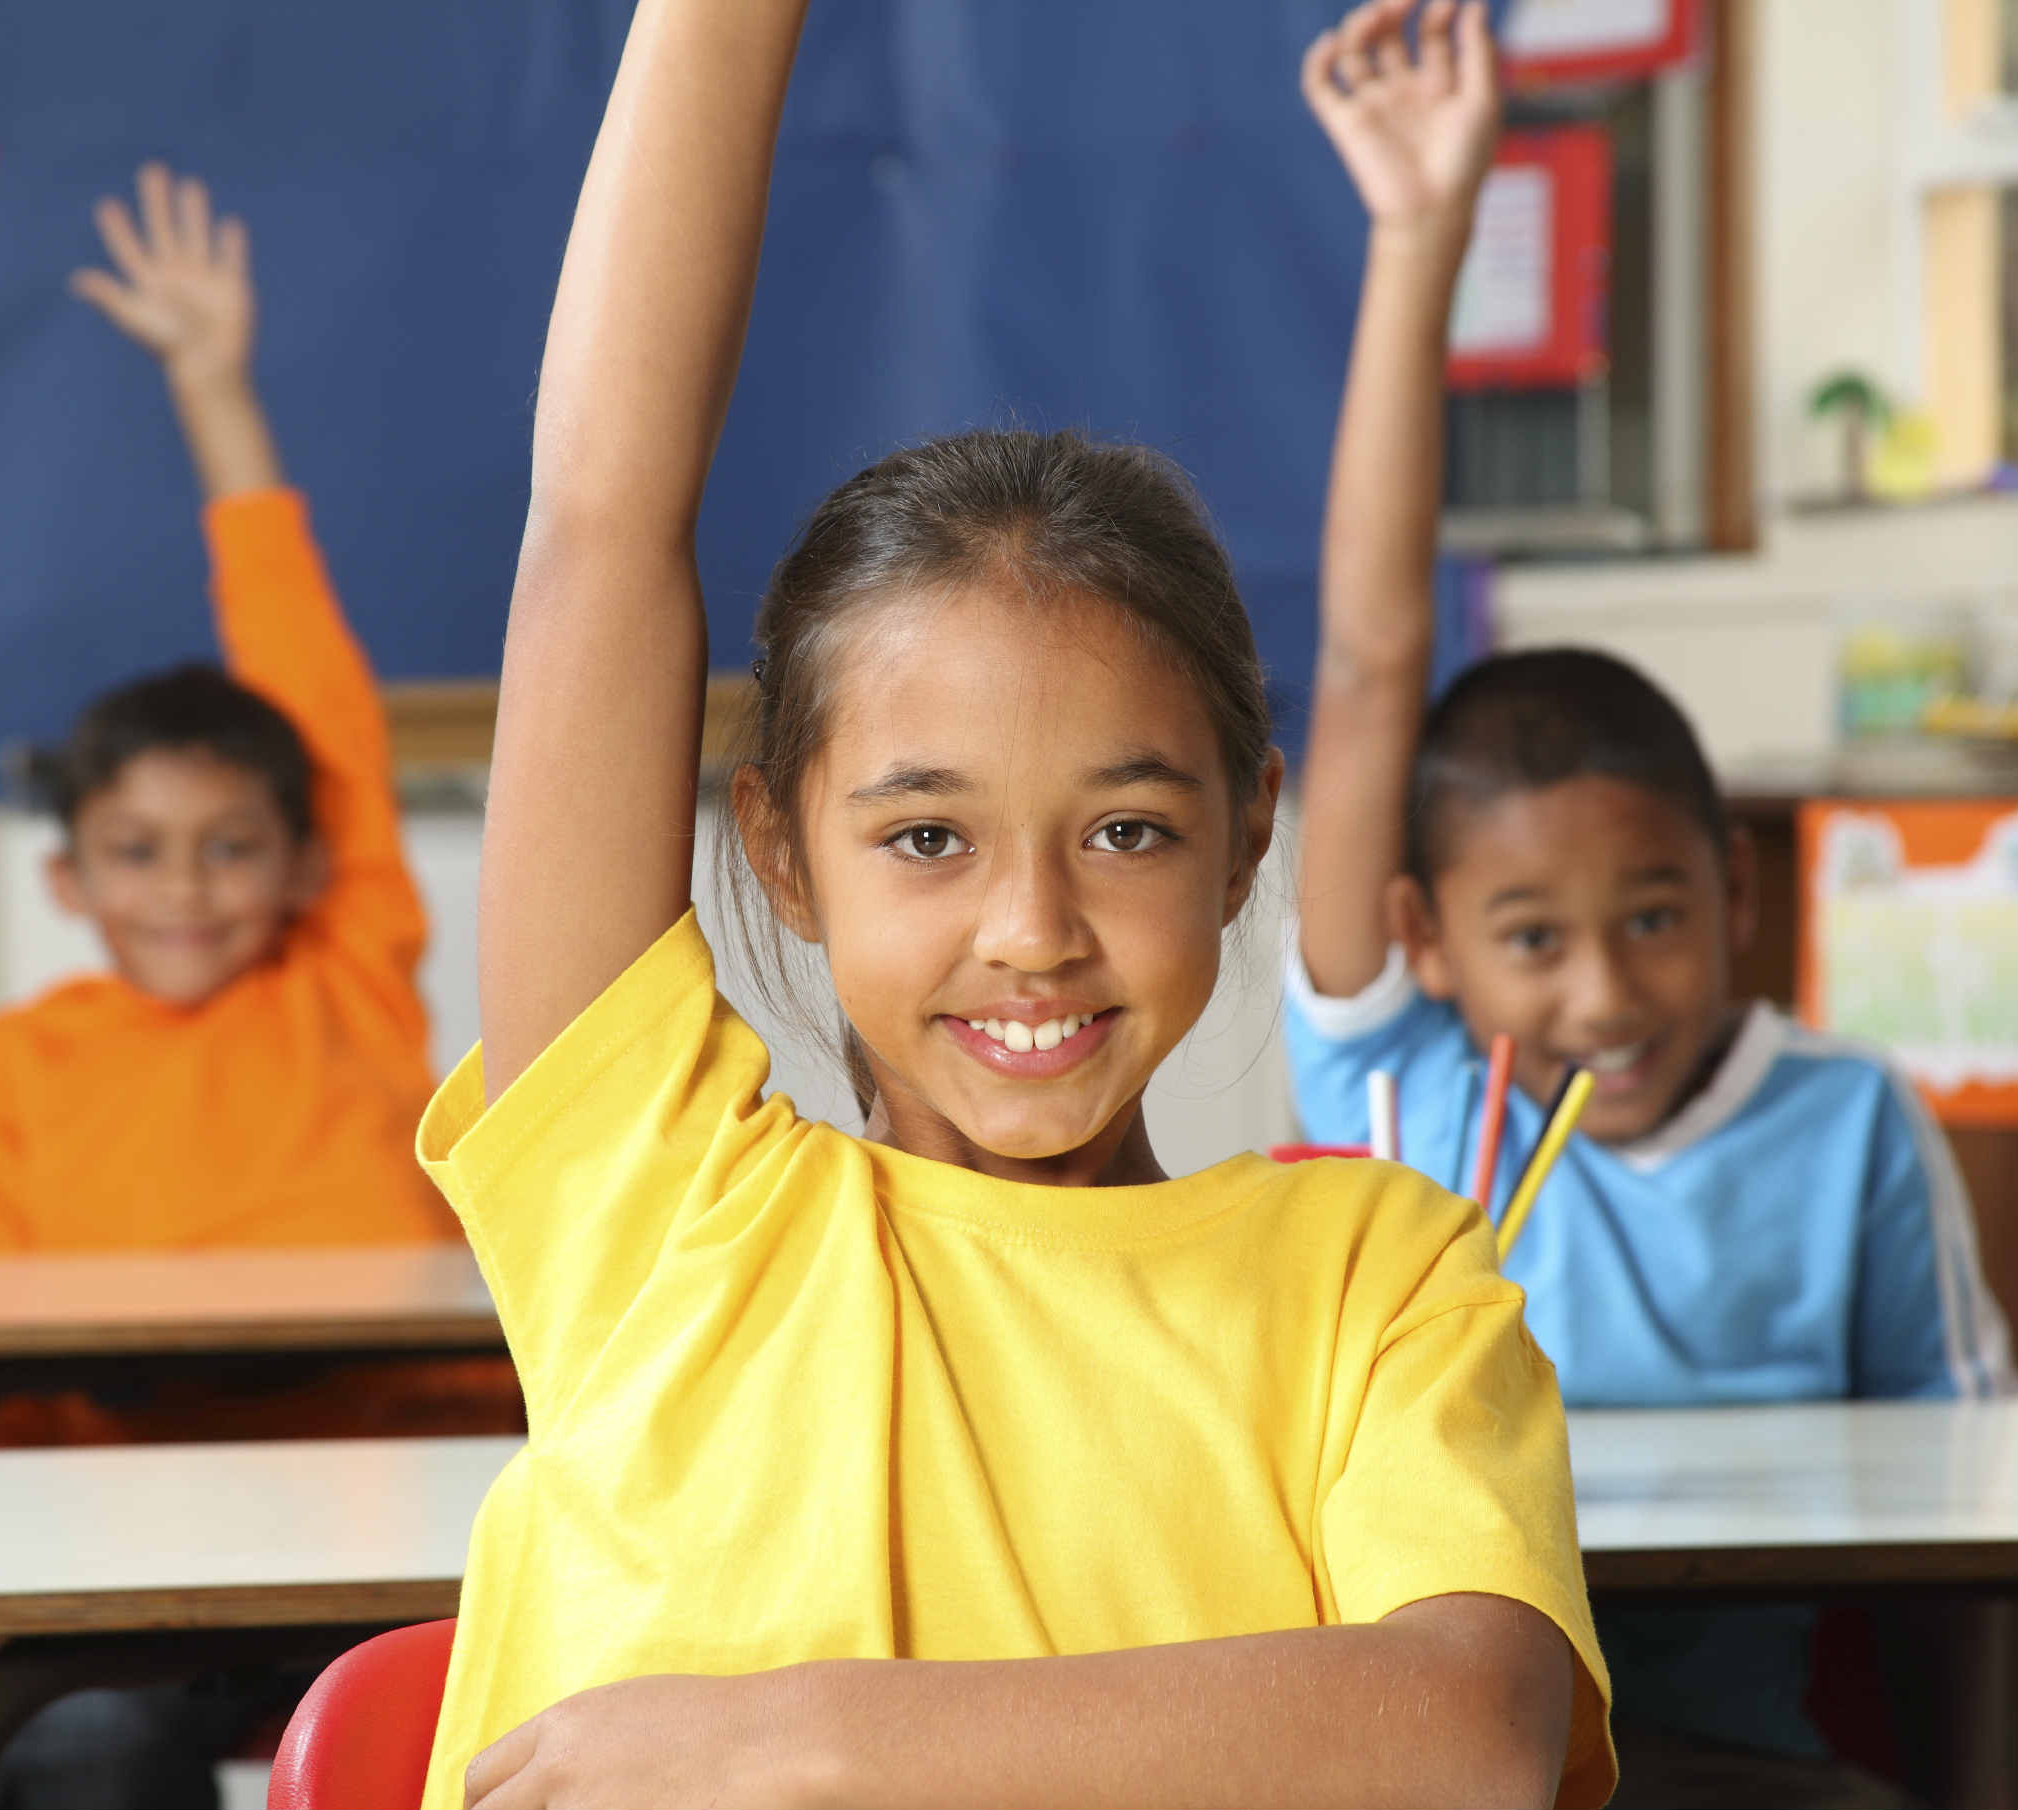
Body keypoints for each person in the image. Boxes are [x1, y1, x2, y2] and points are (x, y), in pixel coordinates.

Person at [415, 1, 1612, 1806]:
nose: (1035, 927)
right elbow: (597, 516)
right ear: (779, 852)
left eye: (1125, 831)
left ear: (1245, 833)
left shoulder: (1375, 1279)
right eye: (924, 839)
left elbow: (1477, 1731)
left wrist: (800, 1737)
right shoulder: (660, 1218)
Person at [1284, 18, 2018, 1803]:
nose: (1608, 991)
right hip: (1431, 1767)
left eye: (1657, 917)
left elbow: (1990, 1511)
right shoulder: (1397, 1095)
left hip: (1712, 1766)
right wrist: (1419, 240)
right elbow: (1376, 659)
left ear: (1738, 896)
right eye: (1533, 936)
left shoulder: (1849, 1127)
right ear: (1425, 938)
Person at [0, 165, 519, 1810]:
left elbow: (309, 688)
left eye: (233, 846)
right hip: (122, 1562)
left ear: (309, 864)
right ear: (69, 878)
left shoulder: (345, 978)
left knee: (493, 1728)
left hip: (384, 1526)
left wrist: (215, 390)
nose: (187, 889)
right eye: (139, 850)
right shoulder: (16, 1064)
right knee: (75, 1744)